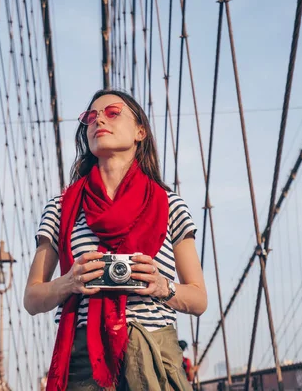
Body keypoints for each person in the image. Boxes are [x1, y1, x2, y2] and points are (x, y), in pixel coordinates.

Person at [24, 89, 207, 390]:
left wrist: (163, 286)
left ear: (140, 131)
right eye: (90, 117)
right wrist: (68, 283)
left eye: (112, 112)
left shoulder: (170, 204)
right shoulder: (60, 208)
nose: (98, 121)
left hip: (155, 353)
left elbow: (199, 299)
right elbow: (32, 299)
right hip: (84, 360)